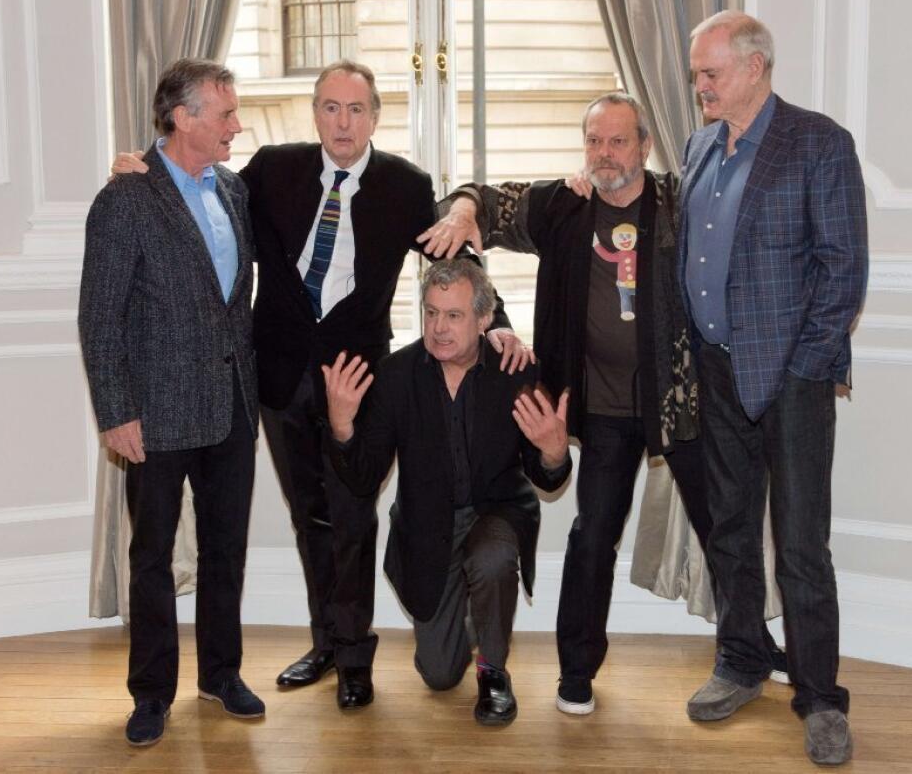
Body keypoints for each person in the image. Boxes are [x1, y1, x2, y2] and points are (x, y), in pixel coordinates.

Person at [111, 60, 531, 710]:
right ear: (315, 113)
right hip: (276, 378)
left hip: (358, 380)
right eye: (331, 108)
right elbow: (196, 196)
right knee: (311, 522)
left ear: (375, 118)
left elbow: (455, 259)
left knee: (352, 514)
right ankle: (326, 643)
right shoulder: (273, 169)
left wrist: (496, 324)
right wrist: (140, 170)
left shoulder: (405, 185)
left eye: (356, 110)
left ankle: (356, 656)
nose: (343, 121)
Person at [418, 92, 786, 716]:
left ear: (644, 145)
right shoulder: (564, 205)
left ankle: (750, 644)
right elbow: (483, 199)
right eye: (594, 141)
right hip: (603, 411)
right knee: (593, 539)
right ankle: (576, 670)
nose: (604, 153)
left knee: (725, 529)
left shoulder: (680, 200)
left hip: (680, 402)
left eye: (618, 141)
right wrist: (460, 212)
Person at [679, 11, 867, 766]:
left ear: (755, 67)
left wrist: (803, 367)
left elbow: (841, 268)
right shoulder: (699, 145)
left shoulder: (819, 144)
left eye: (710, 73)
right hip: (716, 370)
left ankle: (820, 697)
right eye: (697, 75)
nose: (699, 88)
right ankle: (742, 659)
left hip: (790, 379)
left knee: (799, 546)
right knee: (729, 529)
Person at [79, 58, 264, 747]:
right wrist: (114, 409)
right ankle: (150, 692)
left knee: (226, 550)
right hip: (153, 413)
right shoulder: (125, 199)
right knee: (152, 555)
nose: (235, 126)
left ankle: (220, 672)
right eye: (224, 114)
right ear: (183, 117)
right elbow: (100, 316)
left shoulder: (235, 191)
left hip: (232, 405)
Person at [322, 259, 572, 725]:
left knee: (493, 559)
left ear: (484, 319)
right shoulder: (396, 375)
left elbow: (546, 476)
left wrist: (555, 453)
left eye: (453, 315)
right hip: (428, 527)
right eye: (431, 312)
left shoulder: (515, 369)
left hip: (495, 514)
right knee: (437, 675)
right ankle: (469, 610)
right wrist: (342, 425)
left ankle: (493, 671)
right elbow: (362, 478)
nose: (438, 328)